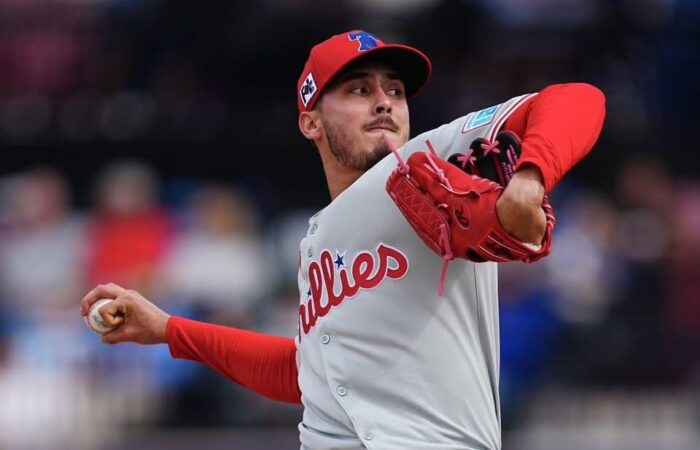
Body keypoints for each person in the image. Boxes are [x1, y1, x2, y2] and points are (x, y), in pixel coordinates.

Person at [80, 30, 605, 449]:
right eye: (358, 90)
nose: (384, 103)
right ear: (310, 122)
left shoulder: (425, 158)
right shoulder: (315, 241)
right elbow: (305, 375)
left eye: (394, 91)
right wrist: (169, 330)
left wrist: (531, 176)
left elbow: (577, 99)